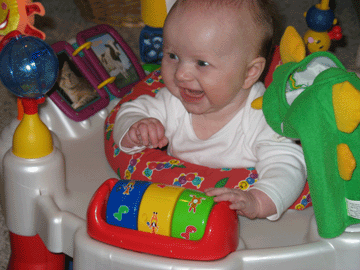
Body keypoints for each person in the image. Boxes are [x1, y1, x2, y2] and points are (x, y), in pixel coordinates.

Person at [113, 0, 306, 220]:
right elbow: (129, 110)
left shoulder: (263, 116)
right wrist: (137, 127)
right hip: (171, 210)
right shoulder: (173, 101)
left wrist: (257, 201)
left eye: (201, 63)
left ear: (249, 73)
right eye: (172, 56)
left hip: (243, 225)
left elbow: (287, 166)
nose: (180, 74)